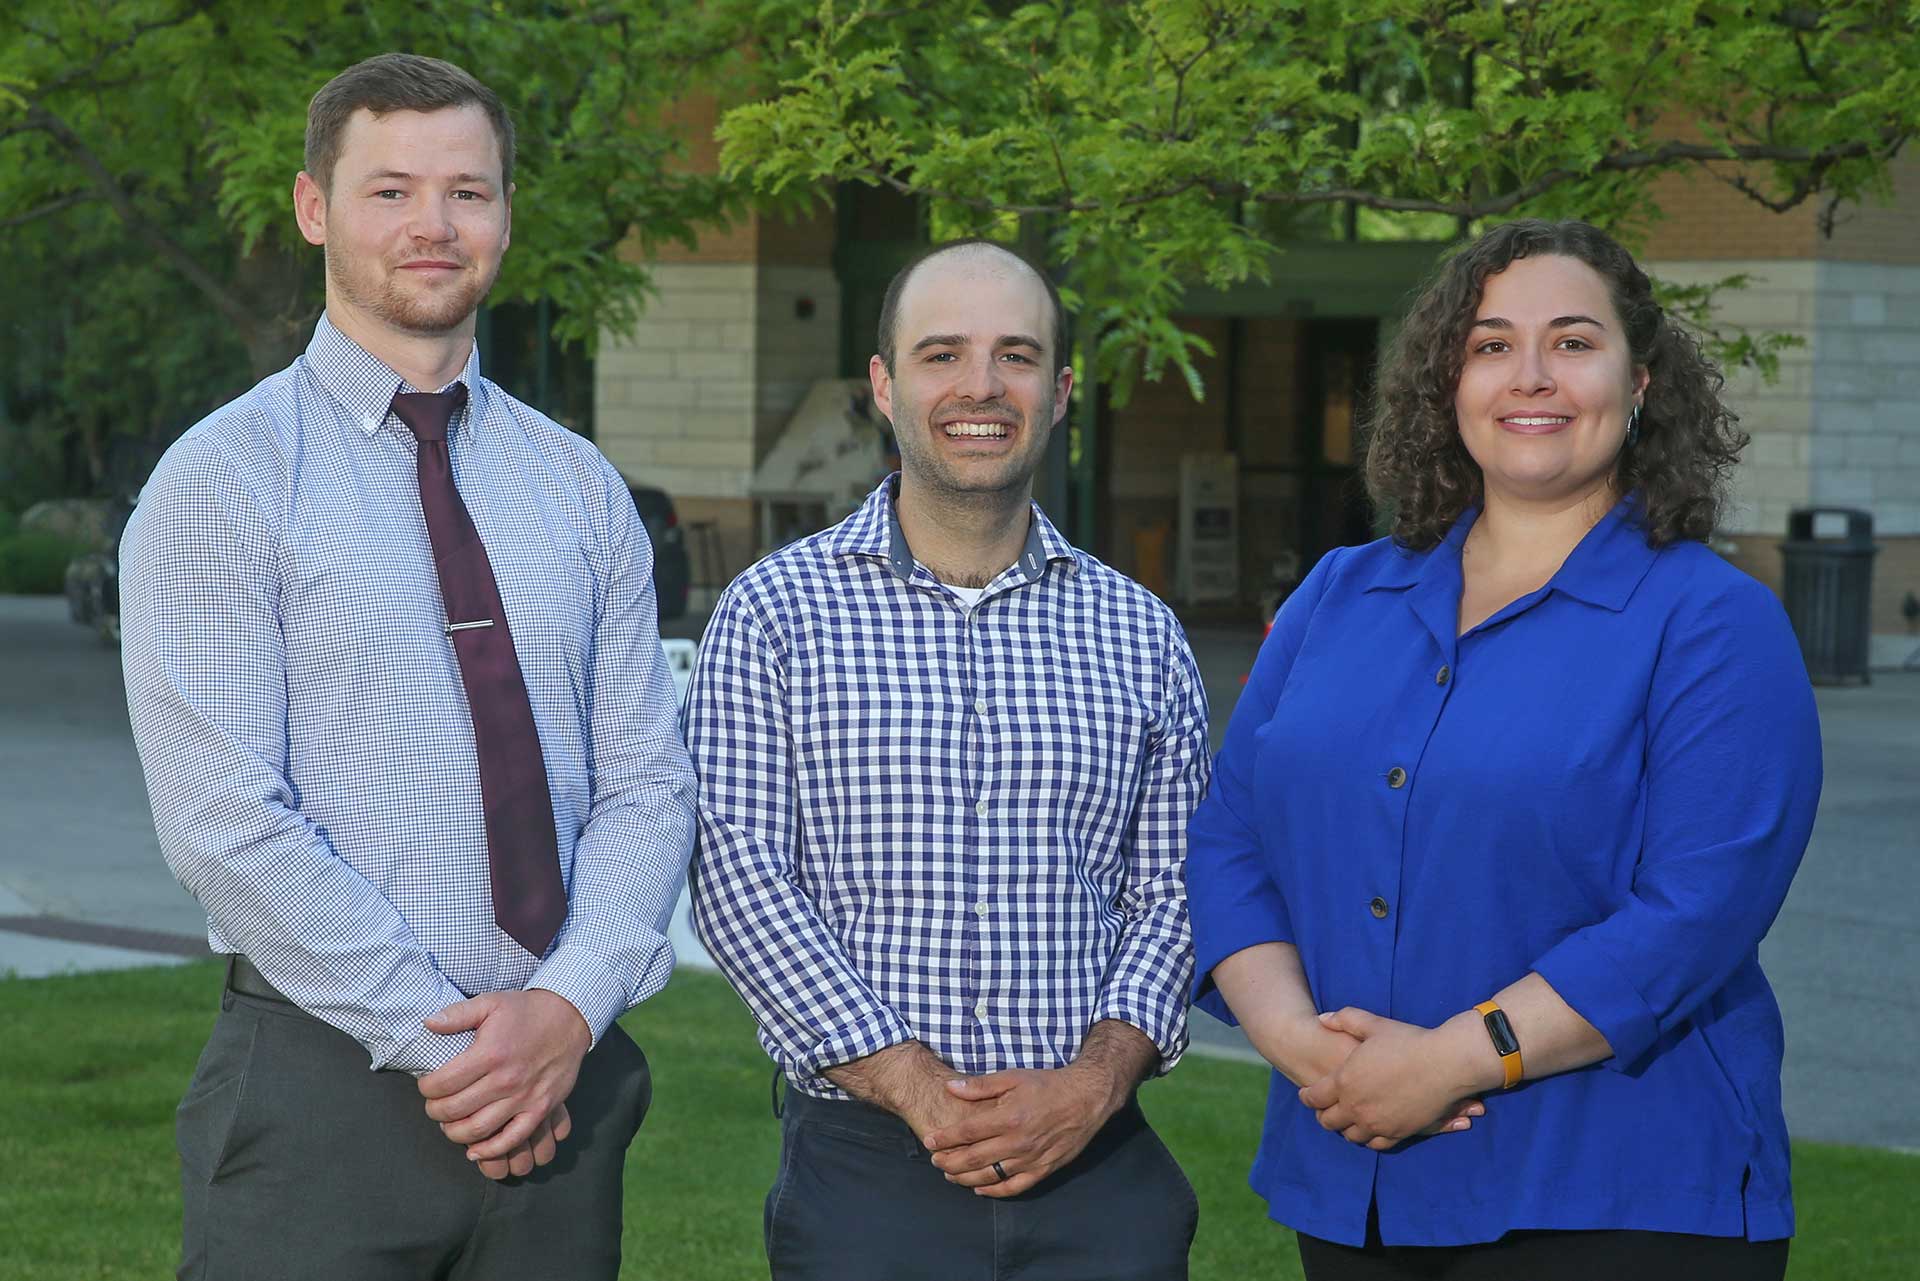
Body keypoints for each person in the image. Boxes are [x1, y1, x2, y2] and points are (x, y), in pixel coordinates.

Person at [119, 53, 694, 1280]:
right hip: (320, 1096)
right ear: (314, 208)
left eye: (467, 193)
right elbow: (227, 822)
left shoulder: (579, 488)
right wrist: (456, 1055)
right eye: (390, 192)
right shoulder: (223, 482)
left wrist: (568, 1010)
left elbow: (649, 783)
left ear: (505, 212)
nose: (433, 226)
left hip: (563, 1097)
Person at [1185, 219, 1821, 1280]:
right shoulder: (1339, 596)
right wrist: (1302, 1046)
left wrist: (1444, 1064)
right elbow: (1229, 839)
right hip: (1357, 1180)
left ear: (1643, 382)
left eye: (1573, 343)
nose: (1532, 376)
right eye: (1490, 345)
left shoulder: (1713, 623)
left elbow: (1694, 914)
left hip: (1617, 1195)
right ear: (1448, 385)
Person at [684, 238, 1210, 1281]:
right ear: (884, 385)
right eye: (942, 354)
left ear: (1060, 392)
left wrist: (1096, 1082)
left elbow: (1178, 887)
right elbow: (739, 877)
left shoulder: (1141, 633)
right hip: (865, 1180)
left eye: (1016, 356)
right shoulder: (773, 616)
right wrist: (918, 1087)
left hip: (1098, 1177)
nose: (981, 386)